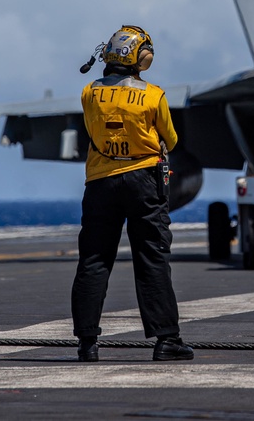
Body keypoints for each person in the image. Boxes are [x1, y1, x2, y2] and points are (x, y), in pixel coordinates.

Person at [71, 25, 193, 363]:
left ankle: (87, 343)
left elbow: (91, 129)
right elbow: (171, 140)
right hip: (143, 182)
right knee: (152, 258)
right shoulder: (154, 95)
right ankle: (166, 341)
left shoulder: (89, 93)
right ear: (142, 58)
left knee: (94, 260)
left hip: (99, 182)